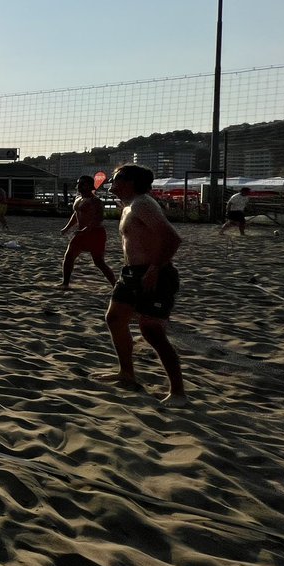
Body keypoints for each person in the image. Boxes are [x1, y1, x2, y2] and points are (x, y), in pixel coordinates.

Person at [104, 164, 186, 403]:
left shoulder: (142, 203)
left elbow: (173, 239)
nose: (112, 182)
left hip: (155, 273)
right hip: (131, 273)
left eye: (116, 179)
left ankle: (178, 392)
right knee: (115, 319)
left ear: (129, 182)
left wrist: (154, 269)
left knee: (151, 331)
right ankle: (126, 374)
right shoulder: (128, 204)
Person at [59, 175, 117, 289]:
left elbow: (98, 219)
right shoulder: (78, 199)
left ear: (90, 186)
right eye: (79, 183)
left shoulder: (95, 201)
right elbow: (76, 215)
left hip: (95, 234)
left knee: (99, 262)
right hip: (81, 234)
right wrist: (67, 228)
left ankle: (115, 286)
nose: (79, 186)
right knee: (69, 256)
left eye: (83, 183)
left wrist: (85, 230)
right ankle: (65, 283)